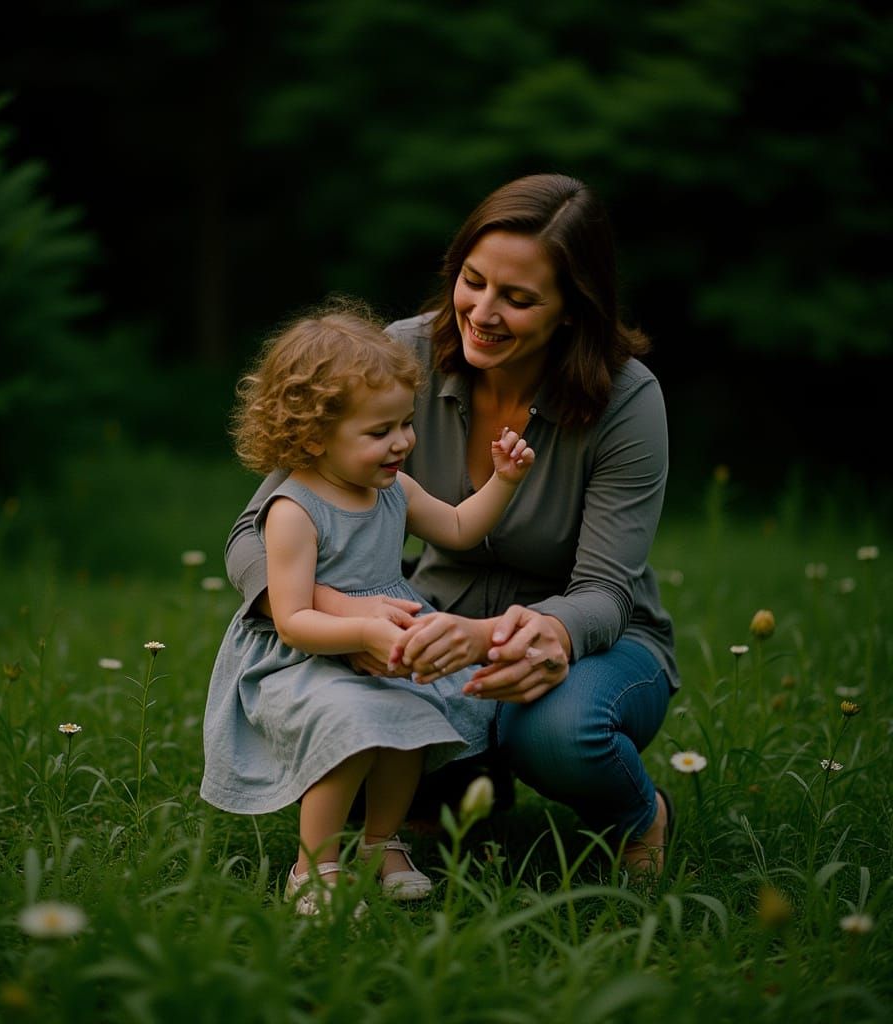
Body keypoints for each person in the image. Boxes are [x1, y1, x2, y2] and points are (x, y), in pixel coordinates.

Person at [225, 173, 680, 876]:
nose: (483, 312)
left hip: (582, 642)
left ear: (571, 311)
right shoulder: (395, 355)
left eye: (519, 298)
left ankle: (639, 815)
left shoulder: (626, 401)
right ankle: (465, 783)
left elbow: (604, 591)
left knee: (559, 734)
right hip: (424, 627)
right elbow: (257, 529)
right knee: (340, 746)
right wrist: (341, 610)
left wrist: (523, 635)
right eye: (473, 281)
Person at [200, 302, 536, 915]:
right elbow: (292, 618)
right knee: (351, 726)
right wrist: (359, 630)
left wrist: (503, 483)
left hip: (381, 646)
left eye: (405, 424)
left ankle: (381, 843)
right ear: (312, 436)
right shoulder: (294, 511)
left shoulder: (393, 490)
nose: (403, 442)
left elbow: (459, 527)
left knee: (411, 724)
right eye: (379, 432)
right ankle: (314, 865)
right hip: (302, 661)